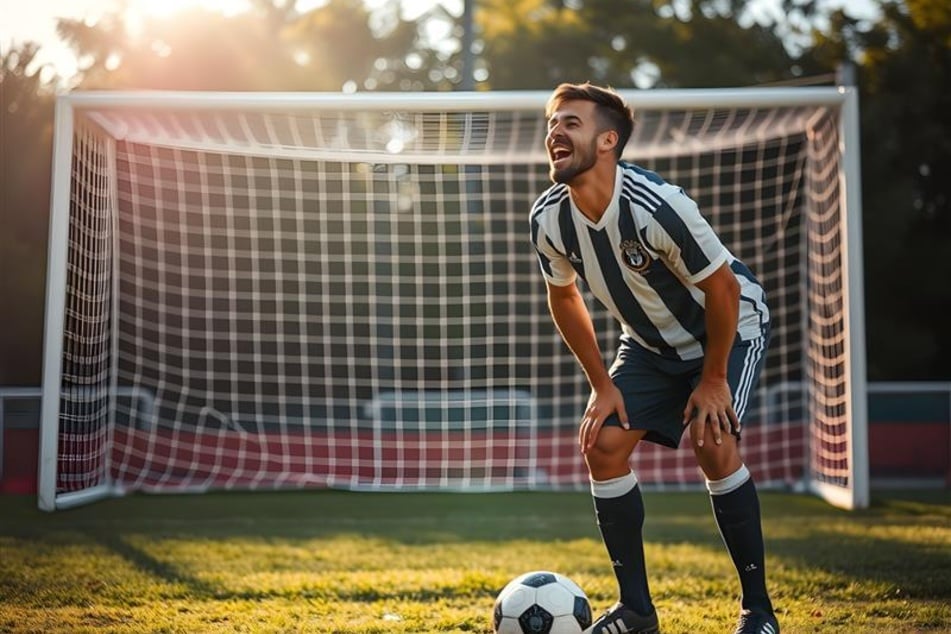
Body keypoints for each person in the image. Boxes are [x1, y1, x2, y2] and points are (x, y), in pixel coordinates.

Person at [529, 82, 779, 634]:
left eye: (571, 122)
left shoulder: (657, 205)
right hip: (646, 345)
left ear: (608, 140)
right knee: (604, 443)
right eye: (552, 123)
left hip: (730, 329)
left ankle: (758, 612)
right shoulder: (548, 218)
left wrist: (713, 379)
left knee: (712, 443)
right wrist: (602, 385)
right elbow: (563, 295)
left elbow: (724, 291)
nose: (555, 132)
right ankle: (637, 612)